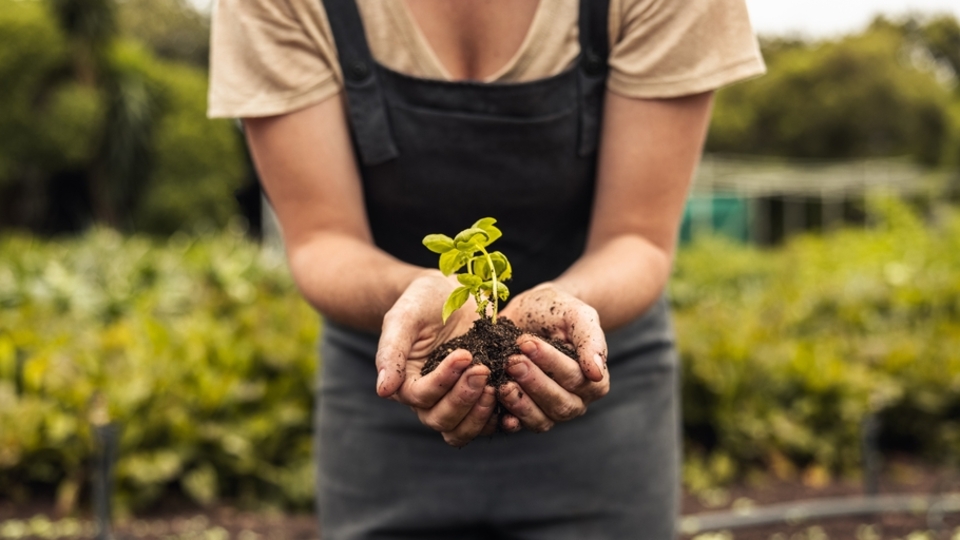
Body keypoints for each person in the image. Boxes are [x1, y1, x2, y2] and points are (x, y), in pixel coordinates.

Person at [209, 0, 764, 538]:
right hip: (391, 379)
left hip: (596, 374)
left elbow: (636, 236)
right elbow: (322, 239)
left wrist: (563, 303)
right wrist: (416, 290)